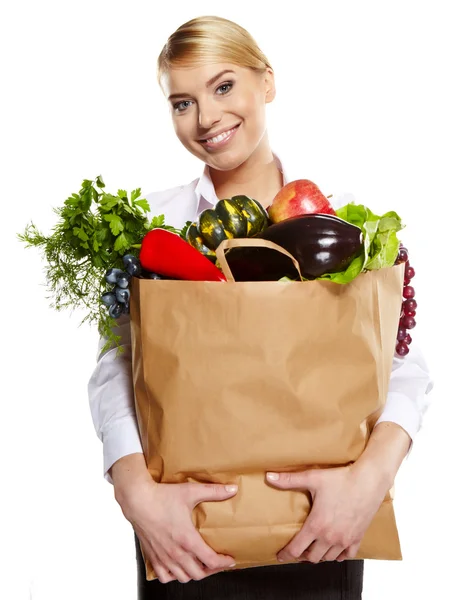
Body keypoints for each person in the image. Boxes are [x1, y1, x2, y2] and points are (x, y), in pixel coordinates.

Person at [87, 15, 433, 599]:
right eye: (182, 102)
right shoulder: (158, 225)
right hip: (186, 536)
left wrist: (370, 482)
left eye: (223, 87)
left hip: (324, 526)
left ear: (267, 82)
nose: (206, 118)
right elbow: (116, 368)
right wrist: (136, 494)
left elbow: (403, 366)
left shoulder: (341, 220)